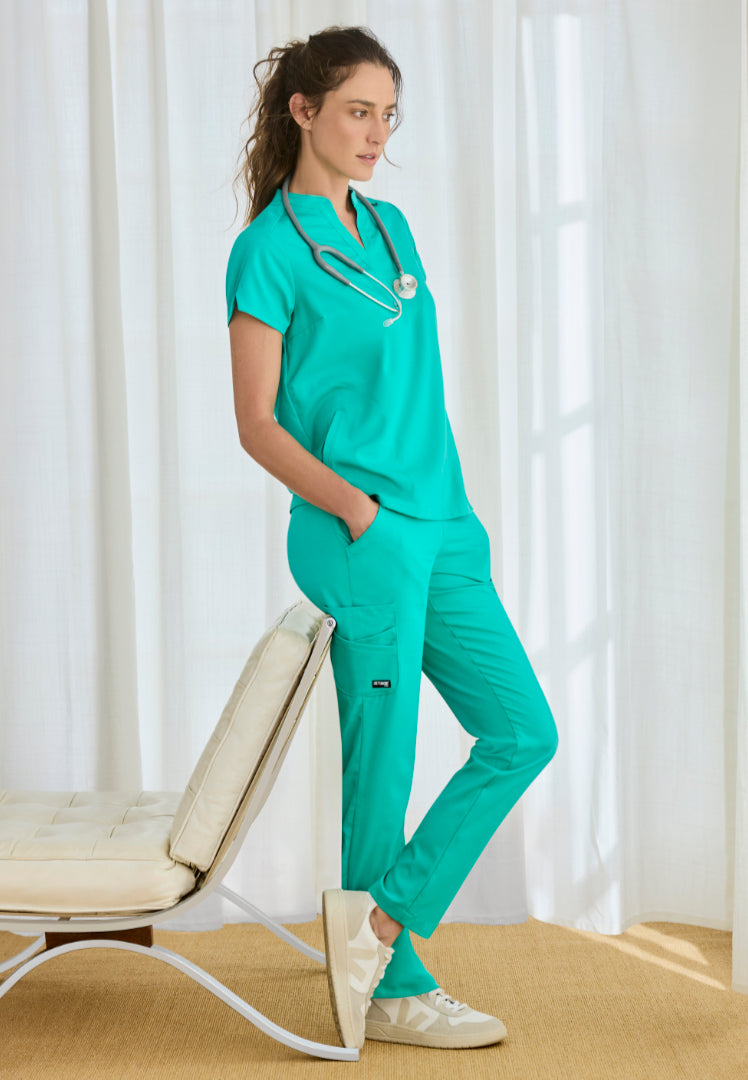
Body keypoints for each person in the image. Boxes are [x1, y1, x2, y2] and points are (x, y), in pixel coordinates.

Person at [226, 24, 558, 1052]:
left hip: (443, 524)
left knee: (522, 732)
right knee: (386, 763)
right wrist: (361, 513)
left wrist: (444, 517)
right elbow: (257, 425)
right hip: (357, 531)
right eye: (358, 111)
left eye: (388, 116)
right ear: (304, 111)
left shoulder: (393, 228)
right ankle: (393, 989)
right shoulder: (267, 252)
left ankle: (373, 929)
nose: (377, 133)